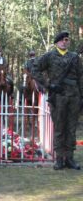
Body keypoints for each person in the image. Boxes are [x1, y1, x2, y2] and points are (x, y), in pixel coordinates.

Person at [32, 31, 82, 170]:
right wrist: (48, 85)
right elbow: (34, 69)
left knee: (71, 128)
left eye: (67, 40)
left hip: (74, 96)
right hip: (58, 97)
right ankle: (59, 159)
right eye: (63, 40)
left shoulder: (75, 57)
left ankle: (70, 158)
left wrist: (82, 96)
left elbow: (80, 77)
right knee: (59, 128)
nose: (66, 42)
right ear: (57, 42)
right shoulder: (49, 56)